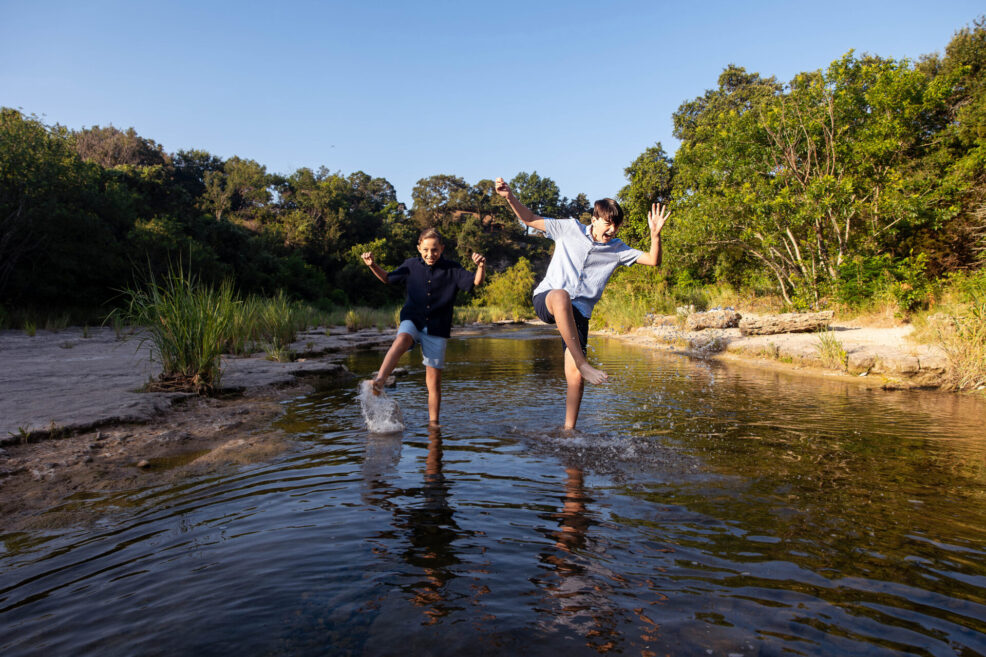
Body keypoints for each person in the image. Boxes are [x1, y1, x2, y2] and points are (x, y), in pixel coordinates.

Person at [494, 177, 669, 429]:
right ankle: (584, 363)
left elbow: (653, 260)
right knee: (562, 296)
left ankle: (569, 431)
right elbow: (529, 219)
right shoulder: (569, 228)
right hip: (548, 300)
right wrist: (509, 196)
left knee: (575, 378)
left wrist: (655, 235)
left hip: (578, 314)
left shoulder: (618, 249)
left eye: (616, 226)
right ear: (594, 219)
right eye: (608, 224)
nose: (612, 230)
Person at [361, 228, 486, 426]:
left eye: (435, 250)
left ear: (442, 248)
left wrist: (480, 266)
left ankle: (433, 424)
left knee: (433, 382)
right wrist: (372, 265)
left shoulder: (452, 269)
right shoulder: (410, 265)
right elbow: (387, 278)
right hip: (413, 318)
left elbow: (475, 282)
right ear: (419, 248)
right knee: (402, 339)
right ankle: (379, 381)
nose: (430, 254)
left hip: (437, 327)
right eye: (426, 249)